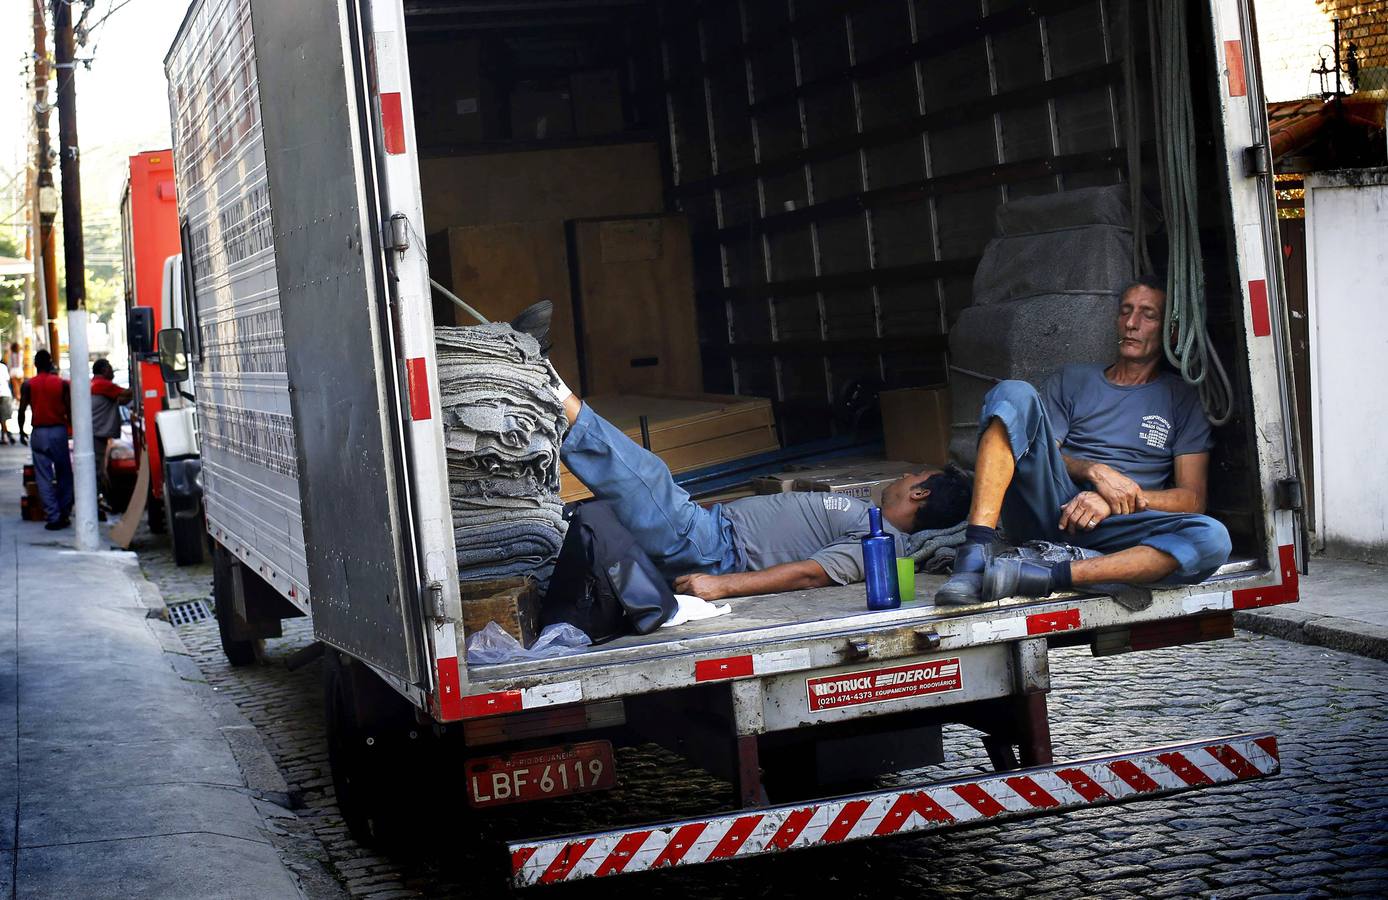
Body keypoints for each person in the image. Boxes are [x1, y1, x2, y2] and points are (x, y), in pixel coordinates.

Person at [935, 277, 1231, 606]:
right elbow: (1036, 450)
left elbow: (1192, 498)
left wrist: (1116, 500)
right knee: (1012, 393)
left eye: (1148, 315)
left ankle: (1043, 575)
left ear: (1170, 331)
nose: (1132, 324)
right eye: (1125, 312)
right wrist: (1093, 471)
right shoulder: (1073, 380)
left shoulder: (1182, 399)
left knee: (1213, 537)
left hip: (1121, 526)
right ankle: (974, 557)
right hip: (1052, 506)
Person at [550, 379, 972, 602]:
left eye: (912, 476)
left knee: (642, 473)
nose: (902, 477)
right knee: (597, 522)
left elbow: (811, 575)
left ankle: (548, 387)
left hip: (712, 546)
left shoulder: (883, 545)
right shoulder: (869, 518)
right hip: (711, 527)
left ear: (920, 494)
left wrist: (723, 585)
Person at [17, 349, 74, 530]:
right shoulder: (62, 384)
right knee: (64, 473)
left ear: (35, 365)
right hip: (58, 431)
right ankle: (64, 512)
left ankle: (53, 515)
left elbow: (21, 410)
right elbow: (69, 409)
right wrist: (72, 430)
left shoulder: (29, 385)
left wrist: (21, 431)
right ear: (50, 364)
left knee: (43, 477)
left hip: (39, 432)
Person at [90, 358, 132, 506]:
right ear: (103, 371)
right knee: (97, 470)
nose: (112, 371)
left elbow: (121, 400)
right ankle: (96, 502)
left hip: (95, 434)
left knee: (99, 469)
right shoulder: (103, 385)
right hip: (96, 434)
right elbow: (127, 394)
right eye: (109, 368)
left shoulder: (95, 384)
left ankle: (98, 501)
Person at [0, 358, 16, 445]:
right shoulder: (3, 367)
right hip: (5, 393)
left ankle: (7, 435)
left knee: (2, 418)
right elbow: (7, 379)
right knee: (3, 417)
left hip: (2, 393)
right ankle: (6, 435)